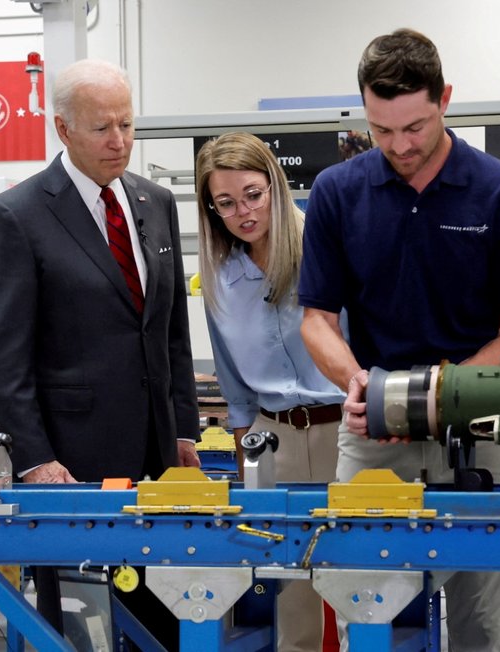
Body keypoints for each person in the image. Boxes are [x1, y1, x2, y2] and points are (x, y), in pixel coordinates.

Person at [298, 29, 500, 651]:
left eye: (414, 126)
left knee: (486, 619)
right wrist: (356, 383)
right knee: (363, 607)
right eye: (381, 130)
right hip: (376, 423)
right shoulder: (337, 191)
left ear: (446, 100)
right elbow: (316, 319)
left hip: (485, 422)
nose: (399, 146)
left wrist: (442, 392)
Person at [0, 58, 200, 649]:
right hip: (70, 464)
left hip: (157, 459)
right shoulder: (18, 216)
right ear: (63, 129)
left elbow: (169, 330)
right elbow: (4, 359)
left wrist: (184, 432)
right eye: (102, 127)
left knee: (159, 617)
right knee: (78, 624)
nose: (119, 141)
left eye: (126, 124)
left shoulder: (155, 202)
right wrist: (35, 460)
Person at [195, 132, 344, 652]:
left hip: (341, 429)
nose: (244, 212)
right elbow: (233, 382)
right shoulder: (218, 275)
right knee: (289, 583)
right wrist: (245, 450)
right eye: (227, 203)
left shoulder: (327, 246)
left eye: (253, 194)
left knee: (356, 581)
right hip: (270, 439)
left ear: (276, 186)